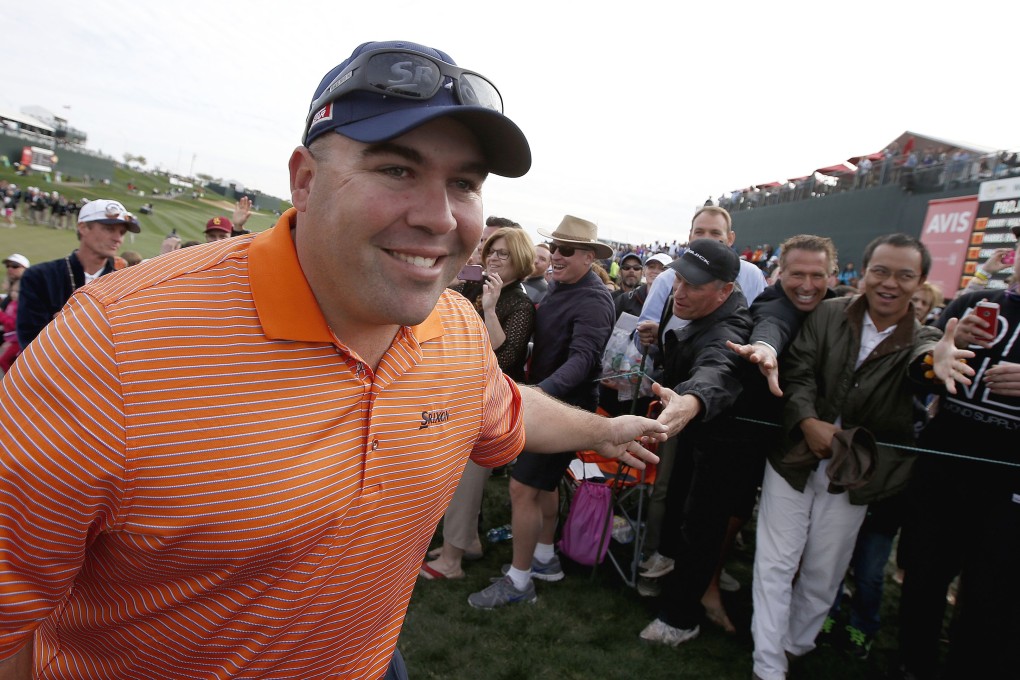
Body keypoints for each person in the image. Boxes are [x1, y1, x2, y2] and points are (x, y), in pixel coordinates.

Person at [0, 40, 664, 680]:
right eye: (397, 169)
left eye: (462, 183)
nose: (439, 216)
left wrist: (607, 430)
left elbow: (506, 409)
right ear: (306, 181)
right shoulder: (116, 343)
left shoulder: (456, 329)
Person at [750, 234, 969, 680]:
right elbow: (801, 371)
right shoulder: (828, 313)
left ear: (921, 281)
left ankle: (795, 644)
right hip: (792, 460)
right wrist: (806, 421)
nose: (890, 283)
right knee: (774, 563)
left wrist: (935, 363)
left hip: (855, 475)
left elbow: (923, 362)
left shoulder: (922, 337)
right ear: (862, 273)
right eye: (881, 271)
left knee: (822, 573)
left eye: (905, 275)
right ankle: (767, 665)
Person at [469, 215, 616, 609]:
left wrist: (536, 395)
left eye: (566, 250)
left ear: (588, 257)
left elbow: (583, 360)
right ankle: (546, 560)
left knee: (523, 487)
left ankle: (519, 582)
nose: (555, 256)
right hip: (552, 400)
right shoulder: (560, 288)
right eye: (554, 247)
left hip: (564, 405)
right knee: (545, 484)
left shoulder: (594, 298)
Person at [896, 226, 1020, 680]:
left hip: (1009, 487)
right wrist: (941, 356)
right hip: (942, 471)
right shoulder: (973, 304)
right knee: (923, 580)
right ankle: (913, 665)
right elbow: (917, 375)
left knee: (993, 594)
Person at [636, 240, 753, 646]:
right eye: (678, 280)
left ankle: (681, 618)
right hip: (694, 437)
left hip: (719, 447)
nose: (679, 292)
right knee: (682, 519)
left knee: (702, 527)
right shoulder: (687, 302)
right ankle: (673, 589)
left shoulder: (731, 327)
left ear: (724, 291)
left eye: (693, 285)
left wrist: (691, 401)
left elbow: (718, 368)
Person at [422, 226, 536, 580]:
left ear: (520, 260)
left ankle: (452, 560)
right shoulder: (473, 285)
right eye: (491, 251)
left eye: (504, 253)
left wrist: (489, 308)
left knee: (468, 479)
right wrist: (449, 287)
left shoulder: (520, 302)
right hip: (458, 390)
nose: (495, 258)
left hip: (489, 398)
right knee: (453, 478)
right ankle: (467, 541)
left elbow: (506, 355)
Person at [15, 199, 139, 348]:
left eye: (122, 232)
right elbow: (29, 342)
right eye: (109, 229)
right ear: (83, 227)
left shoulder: (124, 282)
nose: (118, 238)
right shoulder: (40, 276)